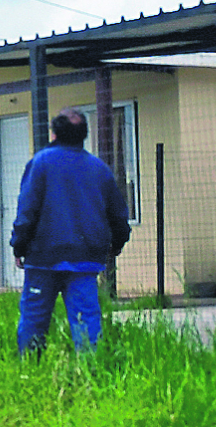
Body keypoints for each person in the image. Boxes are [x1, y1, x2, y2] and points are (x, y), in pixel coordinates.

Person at [10, 107, 131, 354]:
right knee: (86, 320)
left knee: (34, 318)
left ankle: (30, 367)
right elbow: (118, 214)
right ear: (84, 135)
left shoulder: (41, 163)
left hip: (42, 257)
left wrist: (19, 245)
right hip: (84, 258)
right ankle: (90, 368)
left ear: (53, 134)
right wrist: (117, 243)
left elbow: (27, 209)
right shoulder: (99, 169)